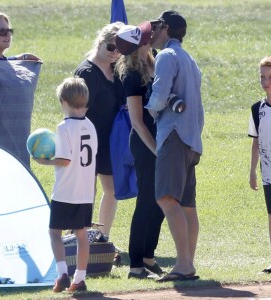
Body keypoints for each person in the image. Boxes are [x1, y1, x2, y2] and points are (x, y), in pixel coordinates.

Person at [145, 10, 204, 281]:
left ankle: (184, 265)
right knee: (187, 205)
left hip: (174, 136)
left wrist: (148, 107)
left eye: (156, 26)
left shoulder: (167, 56)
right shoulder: (189, 59)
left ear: (166, 28)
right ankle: (186, 264)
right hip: (192, 139)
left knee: (167, 199)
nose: (153, 32)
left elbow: (158, 97)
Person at [34, 77, 98, 293]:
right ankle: (80, 278)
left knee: (54, 232)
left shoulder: (64, 127)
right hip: (85, 191)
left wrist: (44, 161)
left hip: (65, 190)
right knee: (81, 234)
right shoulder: (91, 126)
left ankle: (62, 273)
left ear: (63, 101)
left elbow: (65, 160)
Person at [115, 22, 165, 279]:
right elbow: (137, 121)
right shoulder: (132, 74)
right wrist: (157, 150)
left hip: (161, 141)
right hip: (146, 143)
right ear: (139, 45)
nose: (152, 37)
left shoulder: (157, 61)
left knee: (164, 200)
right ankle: (135, 263)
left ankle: (149, 256)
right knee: (147, 200)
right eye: (148, 37)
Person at [74, 22, 126, 240]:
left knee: (112, 190)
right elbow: (77, 112)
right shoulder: (87, 73)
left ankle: (102, 237)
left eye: (120, 49)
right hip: (87, 139)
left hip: (110, 140)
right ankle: (79, 237)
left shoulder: (117, 68)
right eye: (111, 47)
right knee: (87, 192)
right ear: (100, 42)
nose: (115, 53)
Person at [0, 12, 40, 165]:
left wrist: (21, 58)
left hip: (15, 137)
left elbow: (1, 65)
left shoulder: (7, 63)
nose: (8, 35)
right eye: (2, 32)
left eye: (9, 31)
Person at [249, 56, 271, 274]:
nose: (266, 81)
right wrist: (252, 171)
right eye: (263, 77)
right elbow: (256, 141)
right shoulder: (257, 108)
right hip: (269, 173)